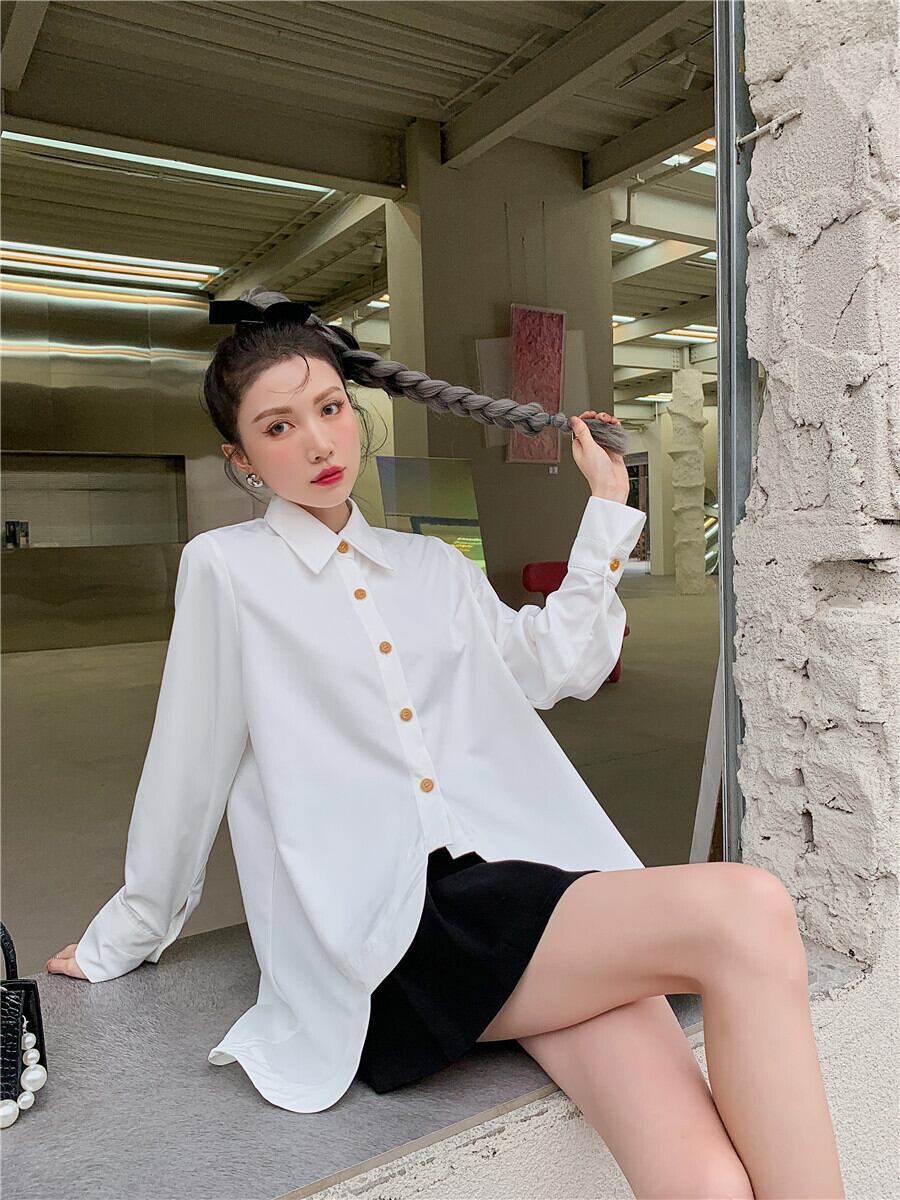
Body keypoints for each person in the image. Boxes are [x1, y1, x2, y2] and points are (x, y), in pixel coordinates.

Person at [48, 290, 844, 1198]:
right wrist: (130, 929)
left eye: (329, 408)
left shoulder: (431, 568)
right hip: (390, 939)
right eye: (278, 427)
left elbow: (557, 667)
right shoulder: (228, 571)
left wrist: (608, 509)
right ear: (242, 457)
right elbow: (186, 768)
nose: (318, 443)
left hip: (507, 900)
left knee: (701, 1180)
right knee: (748, 909)